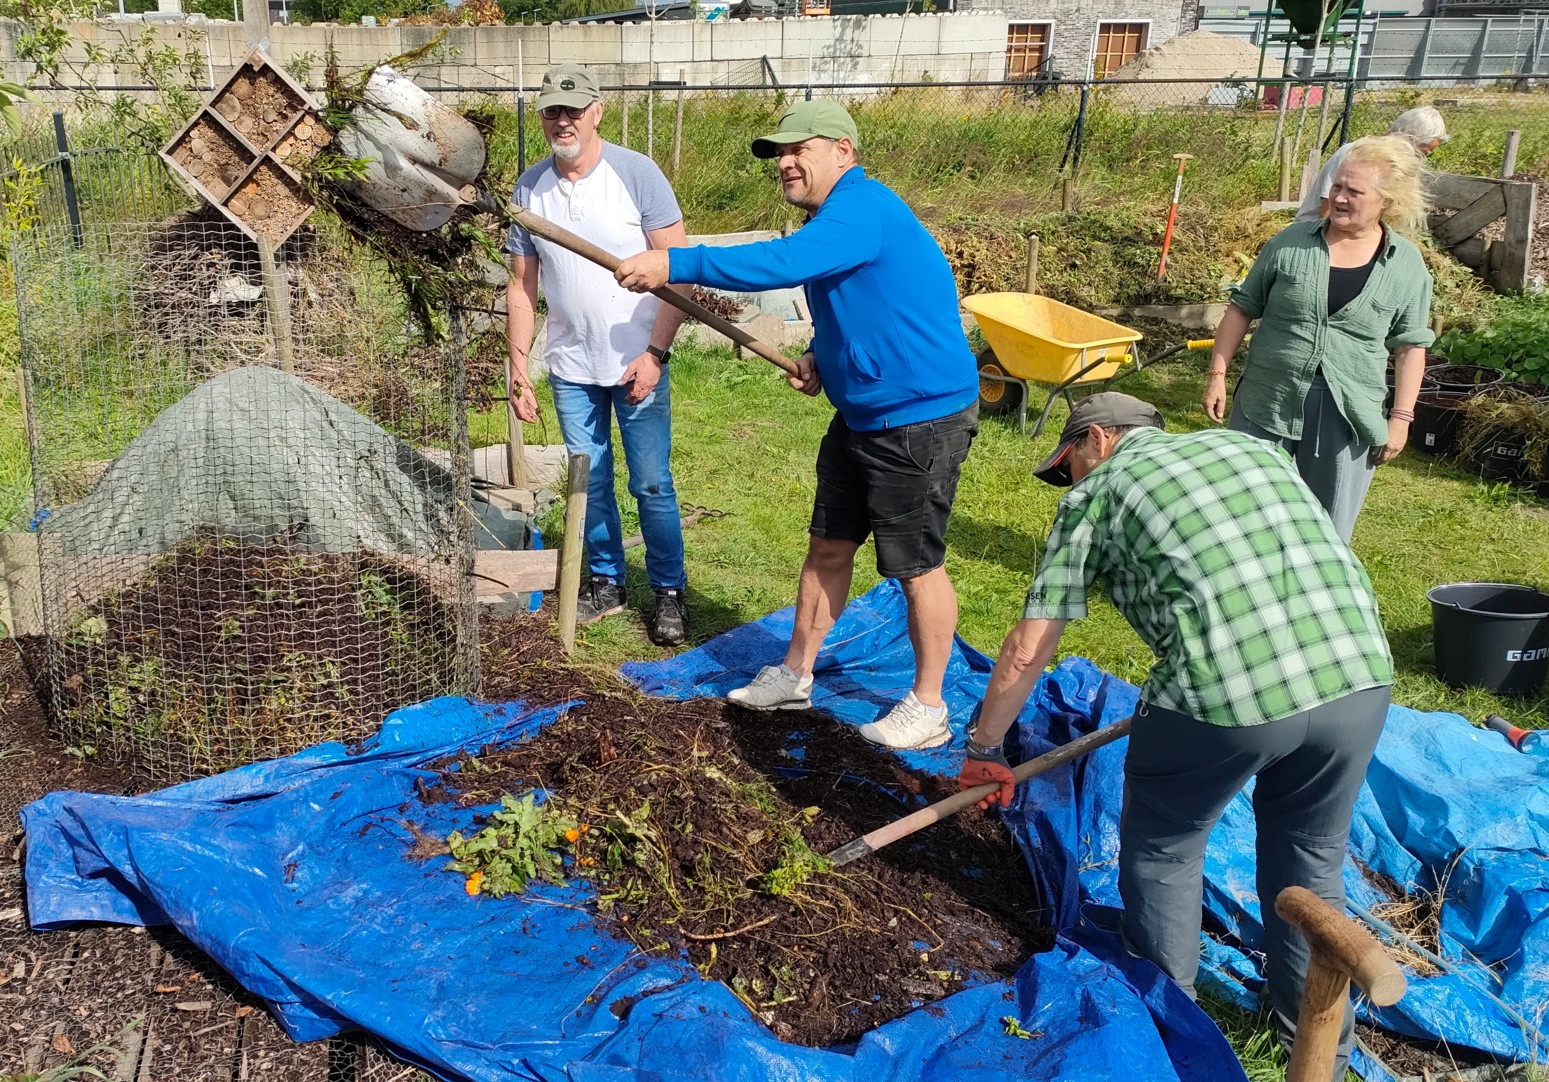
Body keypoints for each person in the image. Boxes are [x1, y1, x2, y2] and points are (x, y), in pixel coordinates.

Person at [957, 392, 1393, 1082]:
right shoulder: (1252, 450)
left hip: (1226, 696)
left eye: (1066, 466)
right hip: (1359, 676)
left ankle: (1171, 1035)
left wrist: (983, 750)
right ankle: (1316, 1050)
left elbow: (1025, 649)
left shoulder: (1096, 495)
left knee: (1164, 848)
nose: (1068, 482)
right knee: (1310, 862)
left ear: (1097, 441)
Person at [613, 99, 980, 750]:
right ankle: (795, 675)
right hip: (862, 410)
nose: (784, 163)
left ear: (844, 149)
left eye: (796, 149)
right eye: (778, 154)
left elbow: (784, 266)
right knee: (828, 546)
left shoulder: (862, 208)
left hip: (920, 417)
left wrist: (675, 263)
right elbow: (860, 304)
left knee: (915, 566)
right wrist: (823, 360)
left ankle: (929, 706)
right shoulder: (837, 218)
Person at [504, 65, 695, 646]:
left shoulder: (637, 174)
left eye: (573, 110)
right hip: (570, 366)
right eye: (552, 112)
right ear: (541, 118)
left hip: (637, 361)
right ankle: (608, 582)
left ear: (597, 112)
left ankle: (668, 590)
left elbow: (678, 270)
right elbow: (520, 286)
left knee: (651, 483)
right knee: (588, 480)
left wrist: (656, 353)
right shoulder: (528, 190)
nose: (563, 121)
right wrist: (519, 365)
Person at [1203, 135, 1435, 542]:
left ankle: (1312, 600)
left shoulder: (1407, 265)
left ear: (1387, 201)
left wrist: (1400, 419)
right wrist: (1217, 374)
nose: (1340, 198)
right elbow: (1242, 308)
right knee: (1242, 513)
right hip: (1267, 398)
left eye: (1354, 191)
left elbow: (1410, 346)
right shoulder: (1290, 242)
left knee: (1327, 529)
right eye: (1338, 186)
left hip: (1347, 412)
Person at [1296, 105, 1449, 222]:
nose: (1422, 159)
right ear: (1409, 139)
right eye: (1423, 152)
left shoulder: (1393, 165)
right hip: (1313, 232)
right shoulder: (1355, 154)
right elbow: (1328, 210)